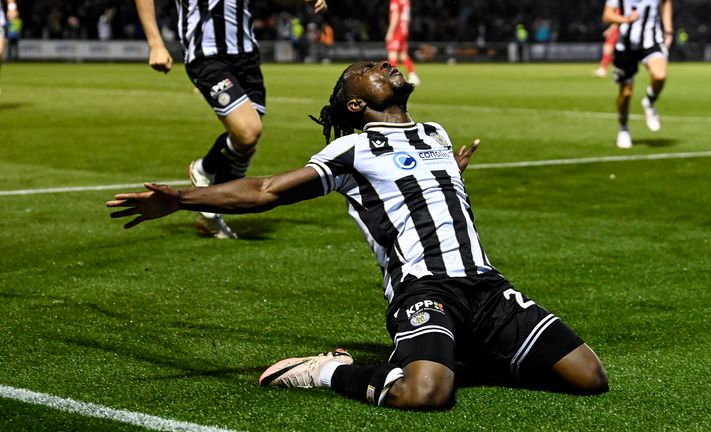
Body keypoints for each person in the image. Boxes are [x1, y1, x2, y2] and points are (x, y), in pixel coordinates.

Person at [107, 60, 609, 410]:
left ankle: (466, 347)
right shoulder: (351, 150)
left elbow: (423, 191)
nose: (384, 65)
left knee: (589, 378)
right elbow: (265, 190)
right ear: (353, 104)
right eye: (369, 70)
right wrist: (180, 199)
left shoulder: (435, 133)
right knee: (426, 395)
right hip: (425, 290)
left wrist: (449, 176)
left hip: (486, 286)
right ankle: (327, 371)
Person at [134, 0, 328, 238]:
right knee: (249, 131)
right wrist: (155, 44)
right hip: (207, 55)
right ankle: (204, 169)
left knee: (245, 143)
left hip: (247, 56)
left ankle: (210, 212)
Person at [603, 0, 673, 149]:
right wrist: (625, 19)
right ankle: (623, 128)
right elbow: (607, 16)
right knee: (626, 94)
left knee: (660, 76)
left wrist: (668, 29)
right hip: (625, 45)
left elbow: (666, 2)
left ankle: (649, 102)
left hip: (652, 41)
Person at [386, 0, 419, 86]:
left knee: (392, 54)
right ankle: (413, 75)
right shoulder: (405, 1)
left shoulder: (396, 1)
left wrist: (390, 31)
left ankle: (393, 78)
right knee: (402, 55)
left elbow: (395, 16)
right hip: (404, 29)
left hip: (398, 30)